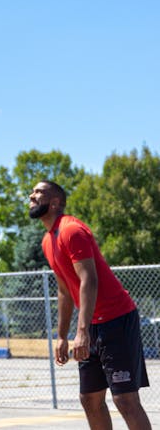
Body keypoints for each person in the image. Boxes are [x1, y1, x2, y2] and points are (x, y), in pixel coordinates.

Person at [29, 181, 151, 430]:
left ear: (54, 203)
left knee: (125, 400)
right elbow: (64, 290)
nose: (32, 195)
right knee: (90, 399)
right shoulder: (47, 241)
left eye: (39, 192)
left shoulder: (72, 230)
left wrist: (81, 331)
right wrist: (62, 336)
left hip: (117, 319)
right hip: (92, 324)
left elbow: (89, 280)